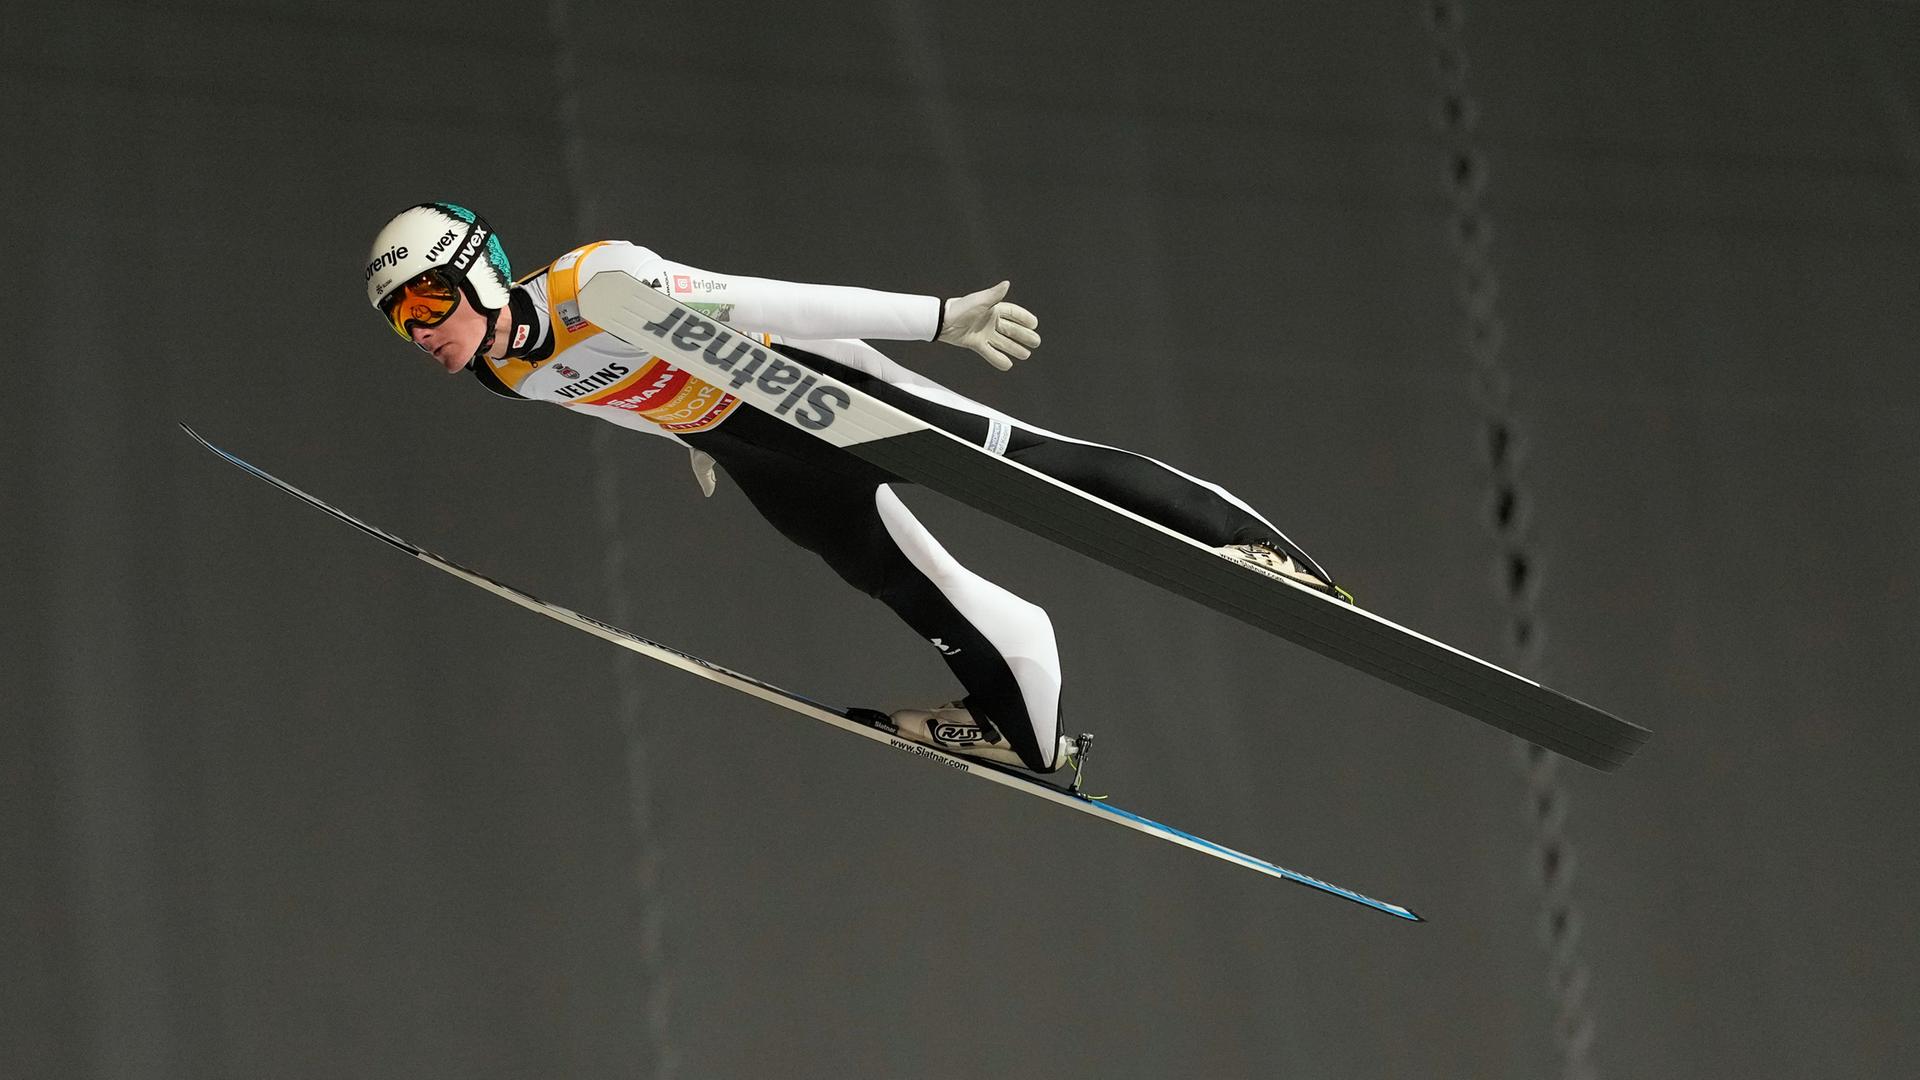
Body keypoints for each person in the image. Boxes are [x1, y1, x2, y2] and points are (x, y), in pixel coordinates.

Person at [364, 202, 1343, 774]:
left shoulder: (598, 286)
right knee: (888, 576)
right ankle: (1022, 710)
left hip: (812, 383)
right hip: (745, 442)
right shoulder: (501, 368)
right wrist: (681, 437)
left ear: (482, 272)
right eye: (399, 321)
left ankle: (1254, 549)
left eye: (429, 301)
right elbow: (603, 393)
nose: (421, 331)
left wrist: (939, 318)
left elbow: (761, 300)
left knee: (1022, 463)